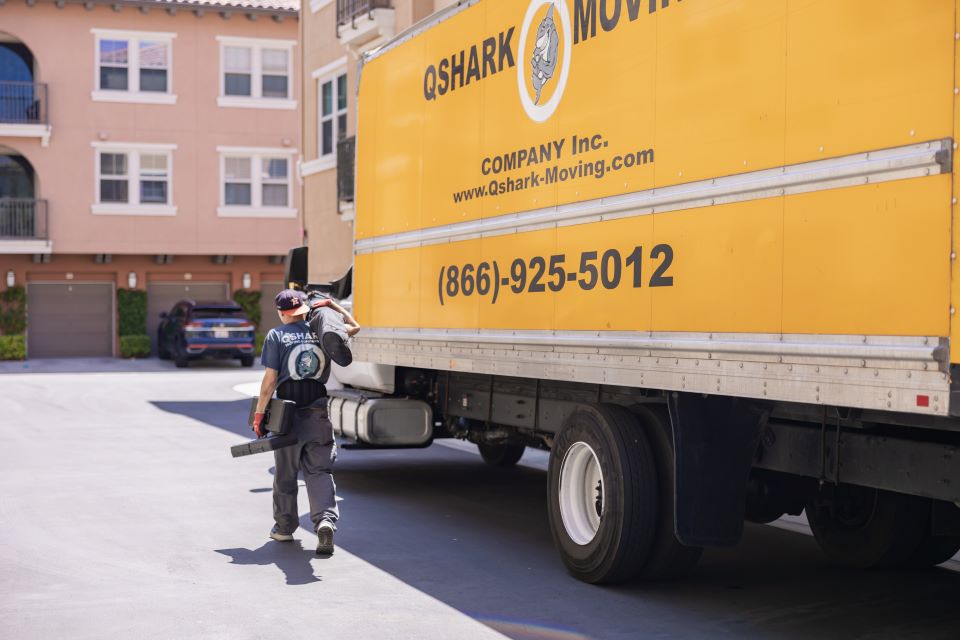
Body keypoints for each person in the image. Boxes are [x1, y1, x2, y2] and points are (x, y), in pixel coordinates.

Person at [254, 289, 360, 554]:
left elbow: (269, 382)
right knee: (319, 471)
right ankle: (325, 520)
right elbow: (355, 327)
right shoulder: (323, 331)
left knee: (286, 474)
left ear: (281, 312)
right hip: (317, 413)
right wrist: (334, 306)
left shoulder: (276, 335)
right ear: (303, 308)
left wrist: (259, 414)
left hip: (286, 417)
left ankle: (284, 528)